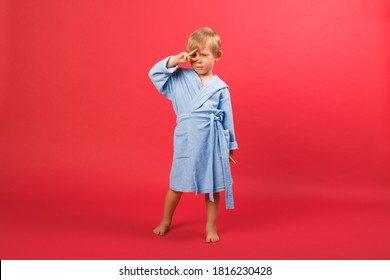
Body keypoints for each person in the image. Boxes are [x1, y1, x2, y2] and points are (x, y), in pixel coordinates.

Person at [148, 27, 238, 242]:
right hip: (186, 139)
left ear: (217, 56)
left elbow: (228, 119)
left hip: (213, 141)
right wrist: (174, 60)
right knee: (176, 184)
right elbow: (154, 74)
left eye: (204, 55)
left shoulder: (221, 88)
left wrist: (229, 147)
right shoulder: (178, 78)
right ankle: (166, 220)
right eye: (194, 55)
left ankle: (210, 227)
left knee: (212, 188)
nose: (198, 61)